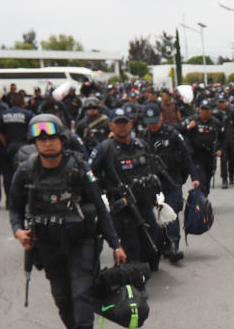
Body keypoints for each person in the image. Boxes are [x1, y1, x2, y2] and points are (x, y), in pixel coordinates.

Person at [8, 114, 127, 329]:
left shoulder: (79, 168)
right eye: (41, 139)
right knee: (62, 296)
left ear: (62, 139)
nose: (47, 144)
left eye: (51, 138)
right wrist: (18, 231)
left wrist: (115, 244)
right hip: (48, 246)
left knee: (81, 293)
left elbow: (100, 208)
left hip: (80, 241)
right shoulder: (26, 170)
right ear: (34, 142)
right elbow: (14, 208)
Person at [89, 108, 164, 268]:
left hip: (144, 204)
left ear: (131, 124)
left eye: (124, 123)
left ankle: (141, 269)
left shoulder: (142, 145)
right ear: (111, 126)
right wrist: (99, 196)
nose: (122, 127)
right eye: (118, 123)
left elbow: (152, 171)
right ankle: (134, 282)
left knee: (151, 240)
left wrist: (158, 198)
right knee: (132, 247)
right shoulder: (104, 148)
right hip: (122, 208)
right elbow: (89, 175)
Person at [142, 103, 200, 264]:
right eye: (149, 122)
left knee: (172, 212)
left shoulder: (172, 134)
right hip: (151, 183)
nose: (152, 125)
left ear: (161, 116)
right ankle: (161, 244)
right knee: (155, 215)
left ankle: (174, 245)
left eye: (155, 121)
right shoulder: (142, 137)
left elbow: (187, 156)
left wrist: (194, 177)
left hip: (171, 180)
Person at [178, 100, 222, 195]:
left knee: (207, 178)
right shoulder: (192, 120)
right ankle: (201, 203)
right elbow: (178, 130)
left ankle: (204, 198)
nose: (205, 112)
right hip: (196, 155)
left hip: (210, 155)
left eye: (207, 109)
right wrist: (188, 127)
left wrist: (220, 149)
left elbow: (223, 137)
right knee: (200, 179)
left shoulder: (216, 122)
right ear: (199, 110)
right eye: (203, 109)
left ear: (211, 111)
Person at [213, 94, 234, 187]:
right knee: (223, 159)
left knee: (231, 159)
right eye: (220, 102)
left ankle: (231, 176)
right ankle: (224, 179)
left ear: (226, 102)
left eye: (223, 102)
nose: (221, 104)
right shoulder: (215, 112)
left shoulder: (231, 111)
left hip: (231, 138)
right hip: (221, 140)